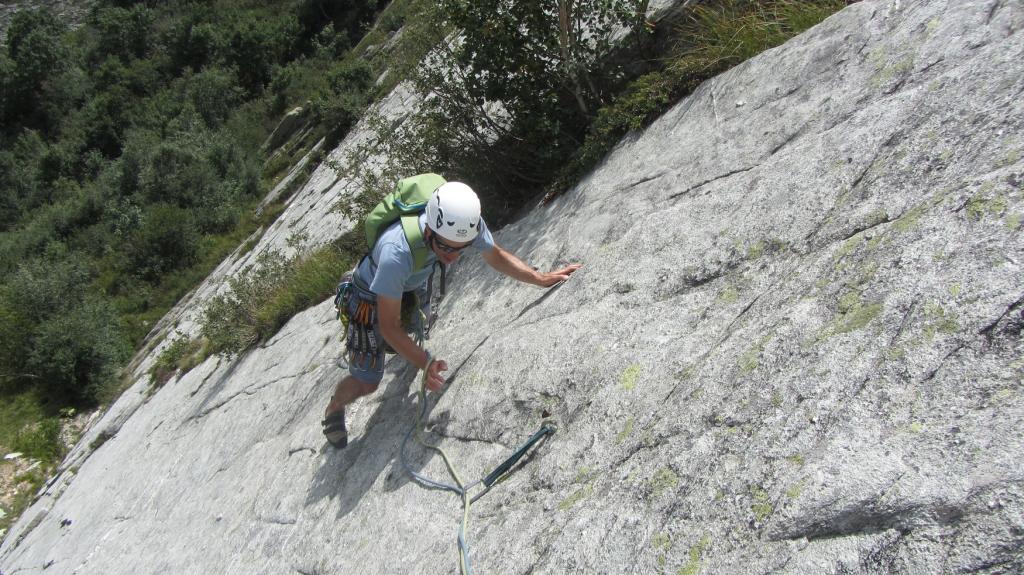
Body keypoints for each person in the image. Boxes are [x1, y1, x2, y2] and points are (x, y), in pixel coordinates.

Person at [322, 180, 581, 448]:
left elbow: (494, 254)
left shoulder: (462, 225)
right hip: (370, 297)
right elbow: (389, 325)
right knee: (368, 382)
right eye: (446, 248)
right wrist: (425, 362)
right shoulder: (396, 253)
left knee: (408, 336)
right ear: (428, 232)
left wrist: (539, 278)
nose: (453, 257)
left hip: (412, 280)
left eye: (461, 248)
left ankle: (398, 343)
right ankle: (335, 405)